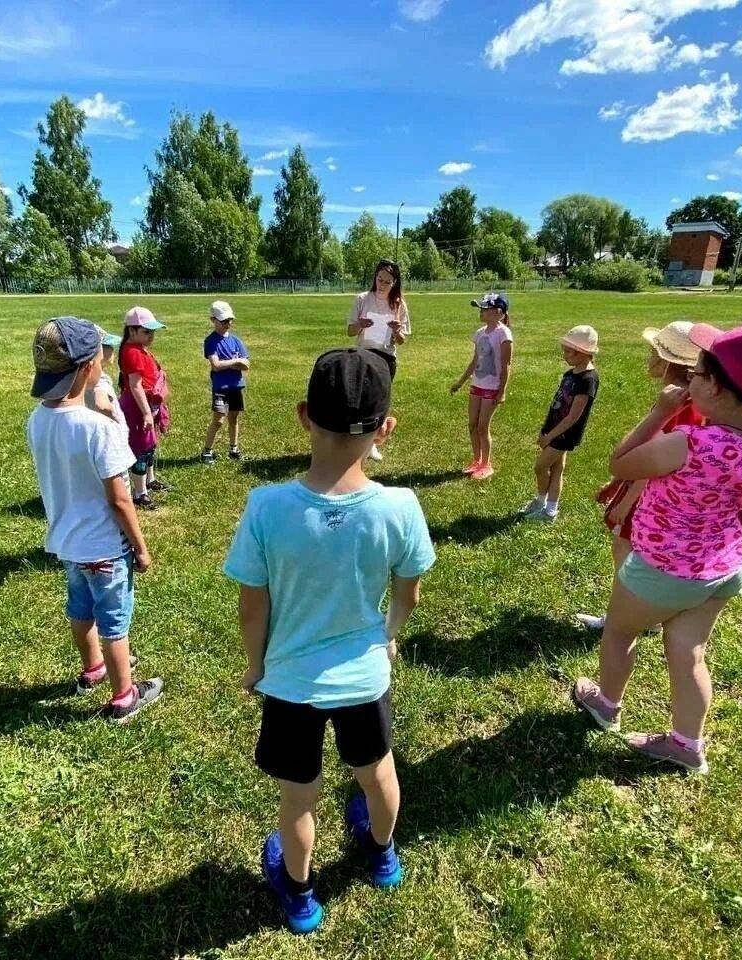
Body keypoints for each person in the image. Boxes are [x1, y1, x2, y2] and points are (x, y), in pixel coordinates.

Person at [223, 347, 436, 934]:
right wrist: (388, 637)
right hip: (366, 677)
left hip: (289, 683)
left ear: (302, 417)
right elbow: (408, 594)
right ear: (385, 428)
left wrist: (254, 665)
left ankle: (298, 893)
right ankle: (382, 854)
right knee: (378, 773)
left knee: (300, 798)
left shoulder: (266, 506)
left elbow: (251, 606)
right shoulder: (400, 506)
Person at [571, 321, 742, 775]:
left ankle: (606, 704)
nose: (688, 378)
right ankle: (687, 744)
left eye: (697, 371)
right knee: (688, 650)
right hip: (724, 571)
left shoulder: (689, 443)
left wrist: (657, 413)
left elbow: (620, 464)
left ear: (711, 385)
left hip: (664, 571)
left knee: (618, 631)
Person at [25, 316, 164, 723]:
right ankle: (124, 695)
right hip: (105, 547)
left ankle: (93, 669)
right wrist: (140, 546)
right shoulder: (97, 427)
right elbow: (120, 499)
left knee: (80, 609)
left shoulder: (37, 420)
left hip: (66, 543)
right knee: (114, 622)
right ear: (88, 367)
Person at [578, 321, 702, 630]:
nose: (648, 359)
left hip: (648, 496)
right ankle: (644, 614)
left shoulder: (679, 406)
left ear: (666, 361)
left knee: (625, 550)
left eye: (652, 353)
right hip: (643, 487)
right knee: (628, 551)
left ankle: (630, 616)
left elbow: (657, 464)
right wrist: (619, 484)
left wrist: (626, 503)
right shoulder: (678, 398)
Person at [520, 325, 600, 522]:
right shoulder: (570, 374)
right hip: (555, 430)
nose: (565, 354)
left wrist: (551, 435)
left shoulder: (588, 379)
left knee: (540, 467)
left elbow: (573, 417)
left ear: (584, 352)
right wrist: (544, 429)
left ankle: (542, 502)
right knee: (556, 469)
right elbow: (556, 405)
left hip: (565, 434)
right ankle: (550, 510)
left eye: (569, 350)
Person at [345, 259, 410, 461]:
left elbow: (402, 340)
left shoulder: (399, 304)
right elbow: (349, 331)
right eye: (379, 279)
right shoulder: (362, 299)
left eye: (387, 282)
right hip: (363, 354)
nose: (382, 285)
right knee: (358, 402)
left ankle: (372, 443)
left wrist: (397, 331)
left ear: (395, 283)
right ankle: (355, 441)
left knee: (379, 404)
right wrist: (360, 325)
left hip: (386, 358)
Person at [450, 293, 514, 480]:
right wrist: (460, 382)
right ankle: (476, 460)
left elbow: (506, 365)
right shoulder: (479, 333)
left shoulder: (504, 335)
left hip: (492, 387)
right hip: (477, 385)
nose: (481, 312)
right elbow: (475, 361)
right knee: (472, 424)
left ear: (498, 313)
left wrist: (501, 391)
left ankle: (486, 464)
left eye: (485, 309)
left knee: (482, 426)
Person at [117, 306, 170, 510]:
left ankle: (150, 479)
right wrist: (147, 413)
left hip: (146, 404)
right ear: (132, 331)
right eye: (146, 332)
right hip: (137, 406)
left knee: (150, 444)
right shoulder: (132, 352)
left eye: (152, 331)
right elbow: (135, 385)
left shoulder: (138, 349)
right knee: (141, 448)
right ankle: (140, 493)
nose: (151, 336)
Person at [201, 300, 251, 463]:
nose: (227, 323)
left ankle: (234, 448)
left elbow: (246, 364)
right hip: (221, 387)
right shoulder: (211, 341)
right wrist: (234, 362)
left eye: (229, 320)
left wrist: (232, 363)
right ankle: (207, 451)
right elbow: (215, 365)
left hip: (236, 386)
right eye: (223, 321)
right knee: (219, 419)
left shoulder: (236, 341)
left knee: (234, 417)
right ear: (213, 320)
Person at [85, 328, 127, 432]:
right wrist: (116, 423)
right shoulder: (100, 379)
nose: (113, 349)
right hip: (107, 430)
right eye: (108, 346)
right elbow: (102, 405)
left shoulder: (84, 375)